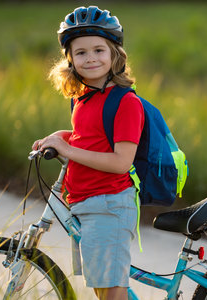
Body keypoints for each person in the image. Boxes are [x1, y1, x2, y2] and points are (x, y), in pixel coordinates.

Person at [32, 6, 144, 300]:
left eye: (99, 50)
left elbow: (121, 162)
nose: (91, 58)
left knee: (111, 292)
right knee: (101, 288)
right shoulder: (82, 98)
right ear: (69, 59)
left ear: (114, 54)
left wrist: (68, 148)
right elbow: (92, 139)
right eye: (81, 53)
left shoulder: (126, 102)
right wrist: (61, 138)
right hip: (86, 203)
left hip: (109, 204)